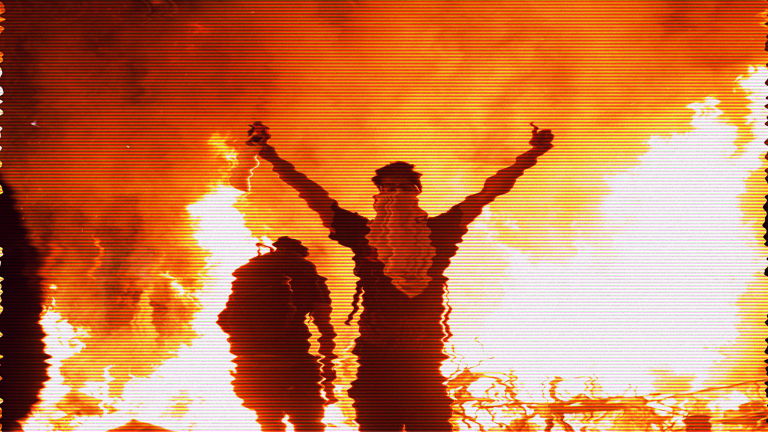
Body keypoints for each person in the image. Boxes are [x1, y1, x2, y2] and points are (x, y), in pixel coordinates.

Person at [247, 122, 554, 431]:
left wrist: (534, 153)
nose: (396, 194)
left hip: (424, 359)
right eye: (389, 188)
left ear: (417, 192)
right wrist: (268, 153)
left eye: (404, 188)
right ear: (379, 194)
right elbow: (309, 191)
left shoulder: (440, 231)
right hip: (375, 358)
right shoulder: (361, 233)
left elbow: (490, 190)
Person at [218, 236, 337, 432]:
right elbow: (324, 325)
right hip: (293, 357)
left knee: (270, 422)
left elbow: (224, 319)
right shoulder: (305, 270)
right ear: (299, 252)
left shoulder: (250, 271)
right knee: (308, 421)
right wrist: (329, 372)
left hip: (250, 360)